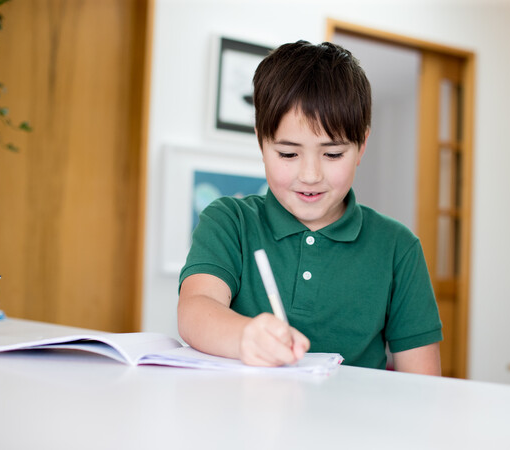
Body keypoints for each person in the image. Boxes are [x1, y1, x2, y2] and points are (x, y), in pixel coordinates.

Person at [178, 40, 442, 374]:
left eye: (333, 155)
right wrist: (244, 336)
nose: (310, 175)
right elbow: (196, 308)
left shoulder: (397, 248)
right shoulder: (229, 221)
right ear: (261, 141)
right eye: (288, 154)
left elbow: (423, 385)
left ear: (362, 146)